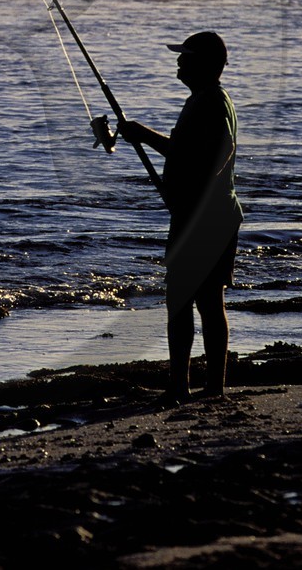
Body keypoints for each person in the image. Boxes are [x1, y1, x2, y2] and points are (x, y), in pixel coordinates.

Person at [119, 31, 243, 404]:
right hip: (207, 214)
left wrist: (143, 135)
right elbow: (188, 152)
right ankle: (210, 386)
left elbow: (217, 150)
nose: (178, 62)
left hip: (205, 219)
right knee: (206, 301)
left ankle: (182, 387)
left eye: (185, 56)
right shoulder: (204, 99)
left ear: (204, 64)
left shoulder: (212, 103)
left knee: (183, 300)